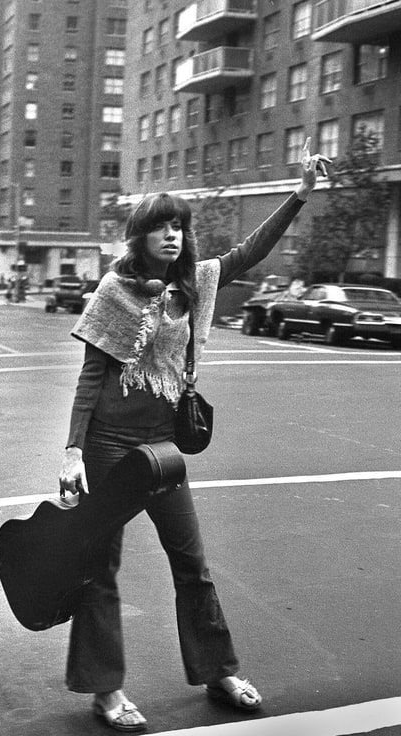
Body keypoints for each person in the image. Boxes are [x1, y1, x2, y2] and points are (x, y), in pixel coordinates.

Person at [59, 138, 330, 732]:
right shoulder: (114, 291)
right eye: (161, 227)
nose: (173, 236)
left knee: (192, 563)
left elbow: (251, 252)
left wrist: (300, 194)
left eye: (179, 226)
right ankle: (106, 690)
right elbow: (90, 376)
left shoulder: (198, 284)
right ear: (141, 237)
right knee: (100, 569)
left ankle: (219, 670)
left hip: (162, 448)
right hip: (108, 446)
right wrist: (74, 450)